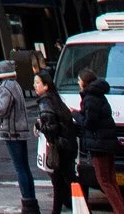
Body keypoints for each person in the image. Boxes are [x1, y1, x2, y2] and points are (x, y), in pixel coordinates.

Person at [0, 59, 39, 214]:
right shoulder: (15, 85)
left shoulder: (6, 87)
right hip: (20, 130)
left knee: (20, 169)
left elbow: (1, 109)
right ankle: (31, 202)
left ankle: (27, 203)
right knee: (25, 168)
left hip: (12, 131)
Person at [79, 67, 124, 214]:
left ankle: (120, 211)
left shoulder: (90, 98)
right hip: (108, 143)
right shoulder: (99, 95)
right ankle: (121, 210)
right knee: (111, 180)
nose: (78, 83)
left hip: (98, 144)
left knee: (104, 181)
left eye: (79, 80)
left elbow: (89, 123)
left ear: (84, 82)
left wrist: (75, 114)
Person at [35, 70, 78, 211]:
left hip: (60, 147)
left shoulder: (45, 103)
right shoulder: (56, 100)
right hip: (68, 145)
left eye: (37, 83)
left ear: (46, 86)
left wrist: (40, 126)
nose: (34, 86)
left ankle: (79, 206)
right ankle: (64, 208)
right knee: (63, 181)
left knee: (61, 182)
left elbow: (51, 127)